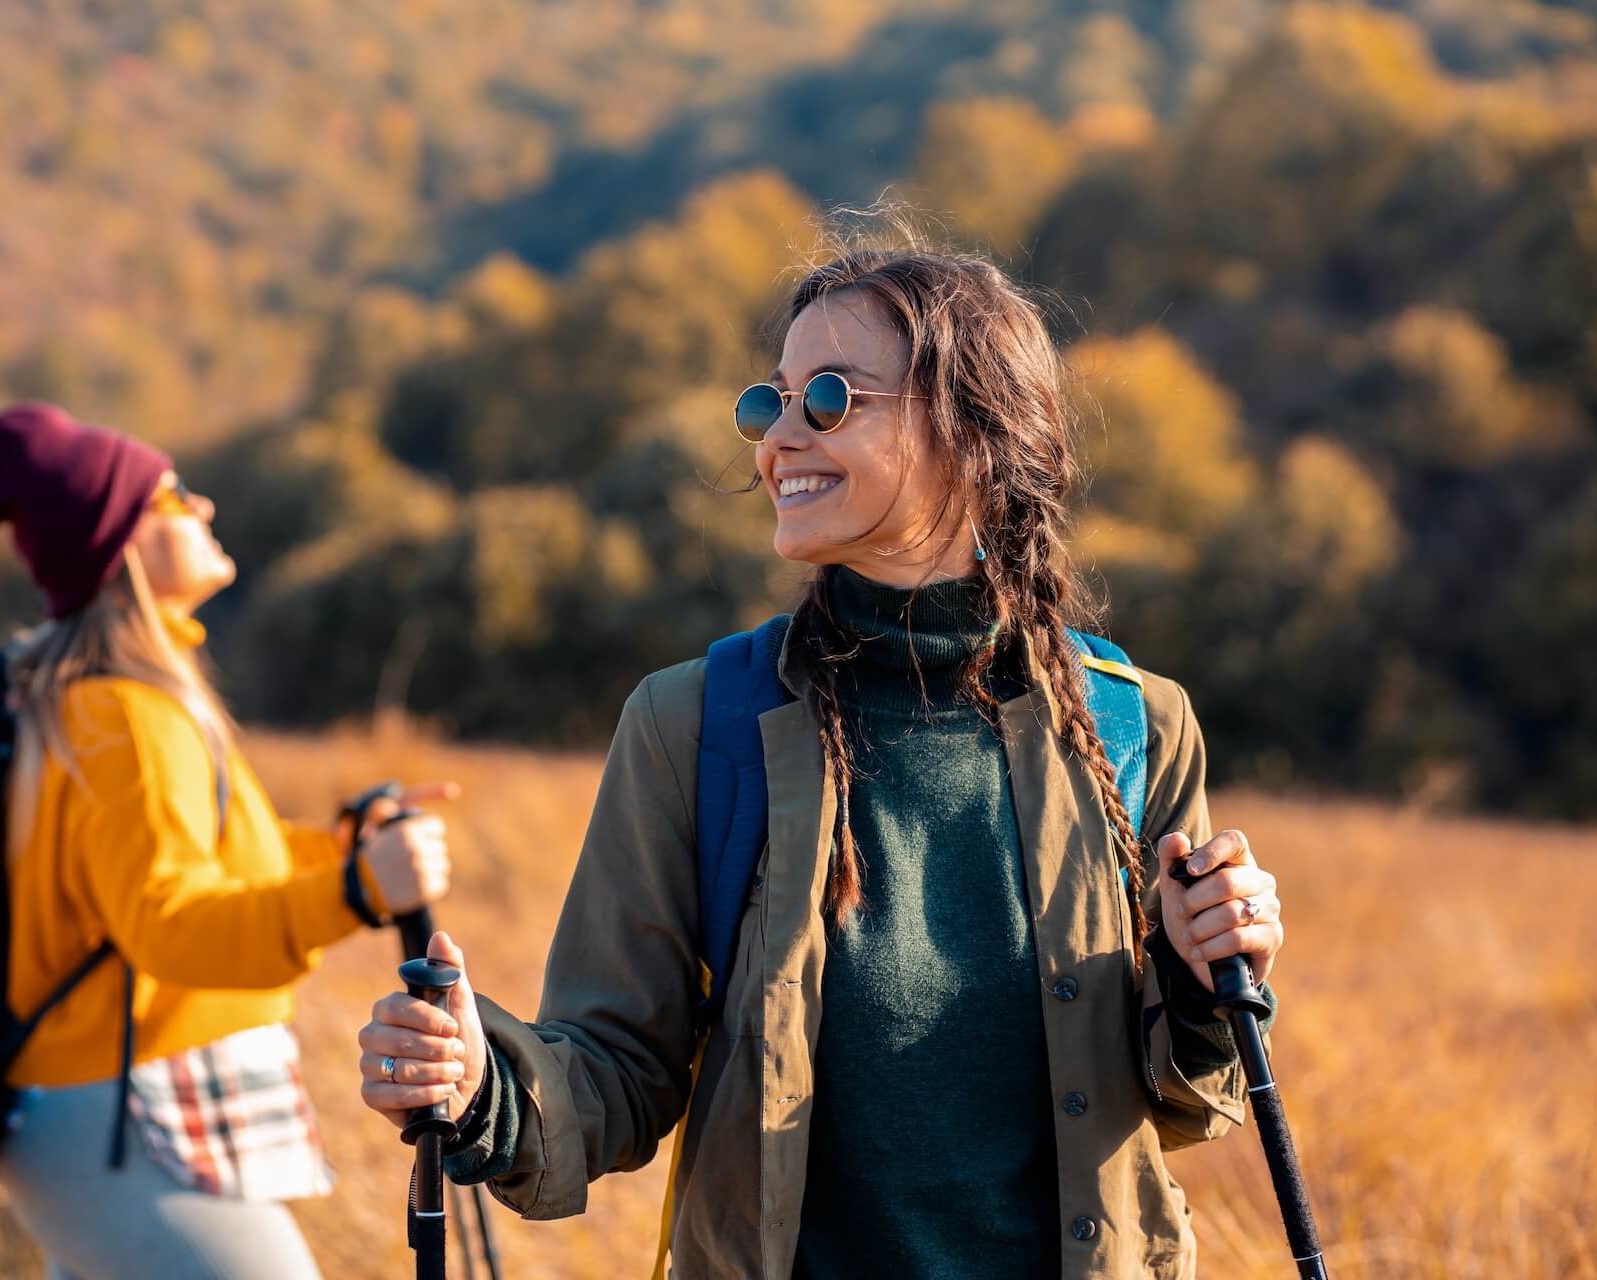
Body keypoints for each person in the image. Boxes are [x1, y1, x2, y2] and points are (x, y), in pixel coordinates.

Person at [357, 242, 1288, 1279]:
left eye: (833, 399)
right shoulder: (694, 723)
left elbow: (1178, 1096)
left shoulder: (1135, 724)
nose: (778, 439)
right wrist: (485, 1079)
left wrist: (1209, 981)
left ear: (974, 429)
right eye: (773, 400)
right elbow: (618, 1072)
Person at [0, 402, 453, 1280]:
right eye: (174, 495)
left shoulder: (122, 703)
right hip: (125, 1119)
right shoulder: (122, 713)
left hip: (104, 1115)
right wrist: (357, 891)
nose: (205, 508)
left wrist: (347, 849)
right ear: (119, 542)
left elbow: (222, 863)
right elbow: (169, 922)